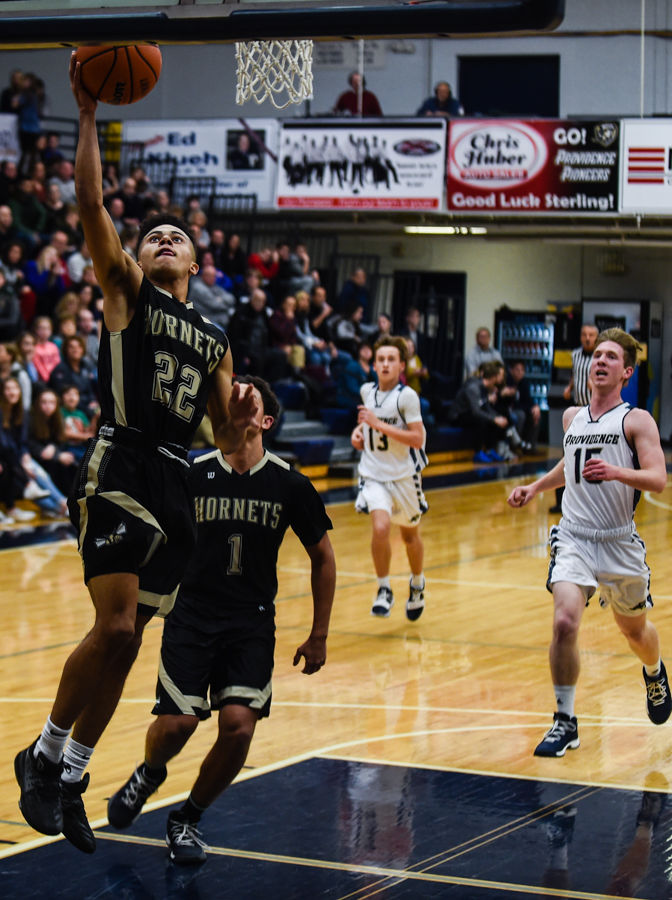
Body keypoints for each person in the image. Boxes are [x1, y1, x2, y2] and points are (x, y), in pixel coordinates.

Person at [13, 52, 260, 856]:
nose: (160, 239)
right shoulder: (125, 288)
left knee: (133, 641)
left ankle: (75, 773)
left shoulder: (217, 335)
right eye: (152, 233)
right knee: (115, 628)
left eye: (174, 238)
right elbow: (88, 201)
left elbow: (227, 438)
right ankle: (42, 755)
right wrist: (86, 115)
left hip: (179, 481)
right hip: (121, 459)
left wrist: (249, 412)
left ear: (195, 264)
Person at [106, 375, 335, 864]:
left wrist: (319, 634)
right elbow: (156, 540)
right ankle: (149, 772)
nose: (238, 396)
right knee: (176, 727)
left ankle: (186, 818)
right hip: (191, 616)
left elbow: (324, 557)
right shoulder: (192, 472)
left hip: (250, 622)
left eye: (248, 396)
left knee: (238, 727)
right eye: (234, 393)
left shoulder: (289, 483)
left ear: (265, 421)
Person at [507, 328, 670, 757]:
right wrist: (535, 487)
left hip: (619, 542)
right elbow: (571, 465)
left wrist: (619, 473)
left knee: (633, 631)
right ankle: (565, 721)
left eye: (611, 357)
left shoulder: (636, 420)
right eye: (597, 355)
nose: (601, 361)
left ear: (626, 372)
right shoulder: (571, 418)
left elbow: (658, 479)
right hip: (574, 536)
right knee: (564, 623)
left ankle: (654, 672)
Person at [351, 336, 428, 620]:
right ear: (374, 365)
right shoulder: (366, 391)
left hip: (404, 477)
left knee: (410, 537)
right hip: (373, 474)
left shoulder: (406, 396)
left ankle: (417, 583)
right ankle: (384, 589)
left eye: (391, 359)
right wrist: (358, 435)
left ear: (401, 365)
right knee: (380, 527)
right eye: (380, 359)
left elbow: (418, 438)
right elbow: (364, 430)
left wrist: (377, 425)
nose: (385, 364)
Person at [550, 323, 599, 513]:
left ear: (597, 337)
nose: (587, 338)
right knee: (567, 456)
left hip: (594, 413)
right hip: (576, 411)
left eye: (591, 335)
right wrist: (570, 387)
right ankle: (560, 501)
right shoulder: (576, 355)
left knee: (589, 459)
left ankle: (588, 504)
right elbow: (575, 373)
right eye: (584, 334)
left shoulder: (600, 357)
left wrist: (594, 385)